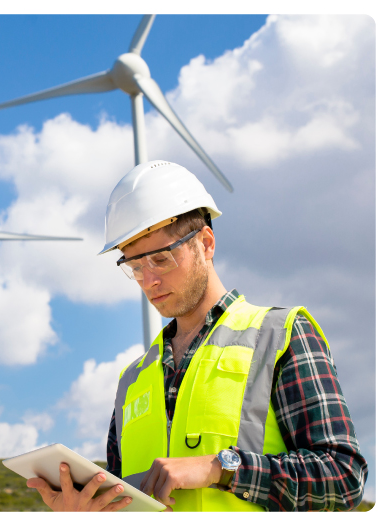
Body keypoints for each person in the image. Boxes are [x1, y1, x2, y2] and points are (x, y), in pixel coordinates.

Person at [27, 160, 368, 511]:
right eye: (134, 266)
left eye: (160, 259)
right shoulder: (132, 381)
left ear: (205, 243)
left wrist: (221, 468)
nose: (149, 281)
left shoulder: (279, 336)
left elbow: (343, 478)